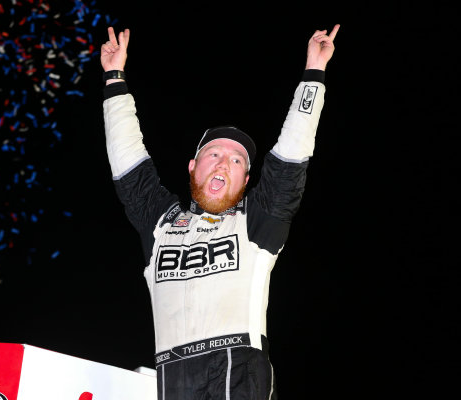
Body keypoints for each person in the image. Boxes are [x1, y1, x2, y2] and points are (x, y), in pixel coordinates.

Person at [100, 24, 339, 400]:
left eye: (236, 160)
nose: (224, 163)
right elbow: (129, 163)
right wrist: (115, 79)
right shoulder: (161, 223)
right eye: (214, 154)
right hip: (170, 371)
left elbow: (291, 158)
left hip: (239, 365)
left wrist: (314, 73)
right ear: (193, 166)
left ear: (245, 180)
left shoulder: (258, 221)